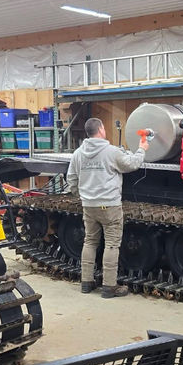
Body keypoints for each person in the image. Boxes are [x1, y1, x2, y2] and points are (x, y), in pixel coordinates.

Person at [66, 117, 149, 298]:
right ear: (101, 129)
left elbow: (71, 178)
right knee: (111, 244)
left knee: (90, 241)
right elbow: (132, 164)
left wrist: (81, 195)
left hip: (89, 206)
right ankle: (109, 286)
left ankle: (86, 282)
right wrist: (142, 149)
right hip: (109, 205)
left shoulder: (78, 154)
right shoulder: (111, 152)